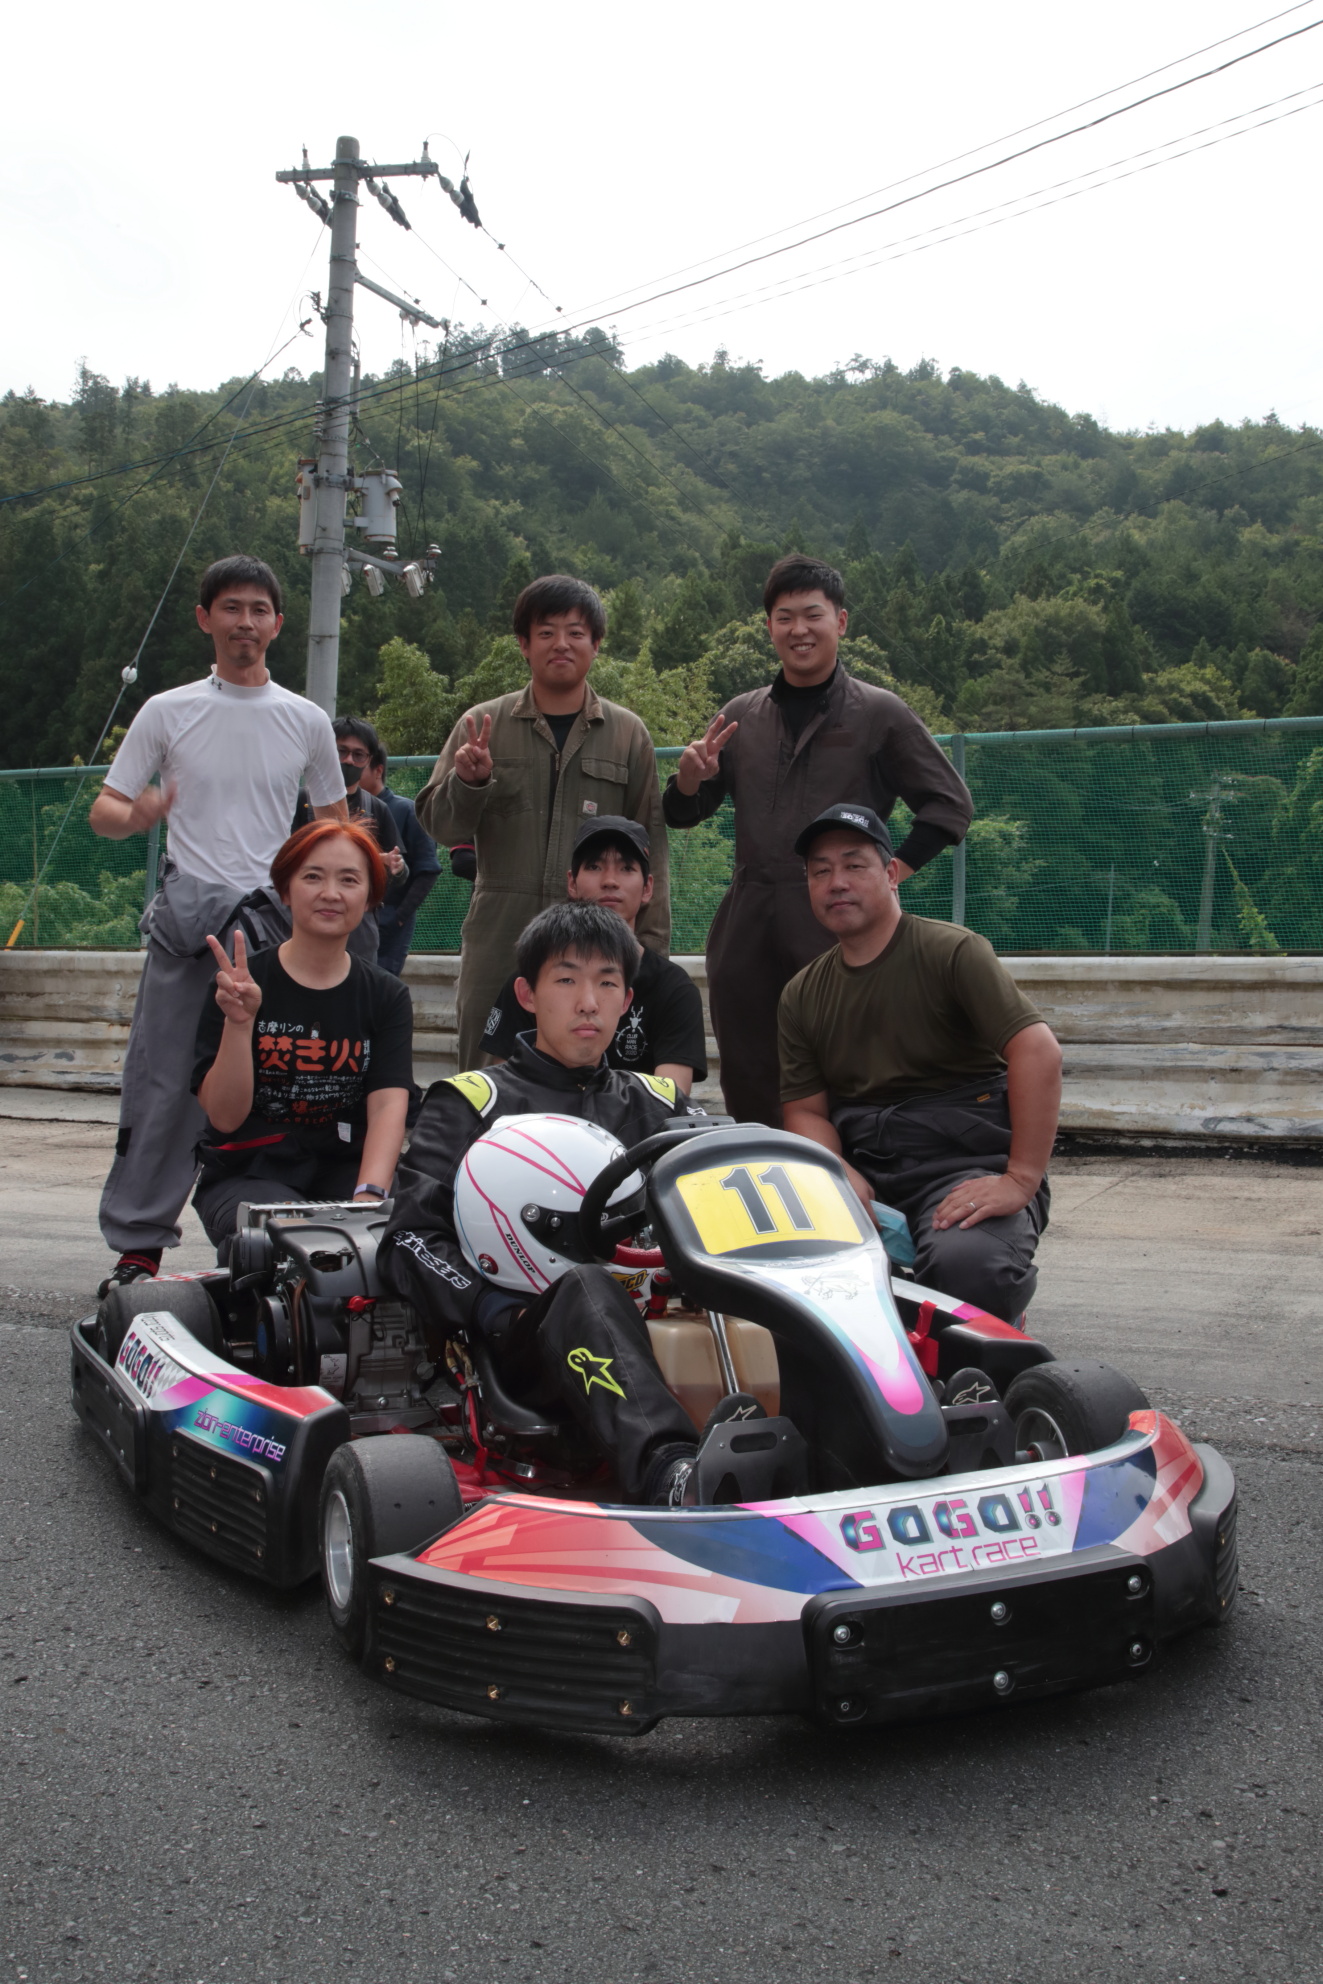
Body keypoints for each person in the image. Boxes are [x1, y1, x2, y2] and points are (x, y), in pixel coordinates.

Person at [379, 901, 708, 1505]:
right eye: (567, 980)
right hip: (522, 1340)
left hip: (658, 1315)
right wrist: (490, 1307)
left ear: (627, 1001)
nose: (588, 1002)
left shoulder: (657, 1102)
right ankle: (672, 1473)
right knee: (586, 1286)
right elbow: (408, 1240)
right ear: (527, 995)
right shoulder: (474, 1101)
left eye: (606, 983)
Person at [89, 554, 347, 1294]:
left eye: (259, 610)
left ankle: (280, 1241)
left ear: (279, 623)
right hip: (188, 927)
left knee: (285, 1082)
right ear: (205, 618)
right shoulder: (166, 710)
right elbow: (105, 809)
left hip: (274, 929)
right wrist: (139, 814)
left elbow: (333, 824)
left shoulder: (306, 720)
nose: (245, 622)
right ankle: (139, 1247)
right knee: (164, 1083)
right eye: (231, 608)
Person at [664, 553, 973, 1126]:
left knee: (850, 1062)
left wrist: (888, 876)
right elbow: (684, 813)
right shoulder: (742, 716)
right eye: (784, 618)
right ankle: (766, 1168)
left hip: (841, 917)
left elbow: (949, 806)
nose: (799, 630)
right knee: (751, 1066)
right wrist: (687, 780)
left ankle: (851, 1174)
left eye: (813, 615)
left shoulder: (878, 713)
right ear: (769, 627)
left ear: (841, 622)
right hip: (749, 919)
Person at [778, 803, 1062, 1324]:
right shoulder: (801, 993)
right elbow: (805, 1111)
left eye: (854, 865)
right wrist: (836, 1173)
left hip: (962, 1165)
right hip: (865, 1167)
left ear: (891, 874)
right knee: (776, 1265)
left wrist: (1020, 1178)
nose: (837, 882)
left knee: (971, 1270)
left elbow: (1037, 1050)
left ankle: (992, 1331)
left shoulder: (953, 952)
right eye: (820, 872)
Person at [414, 575, 670, 1067]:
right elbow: (440, 827)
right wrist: (468, 782)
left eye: (576, 632)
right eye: (546, 632)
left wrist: (650, 947)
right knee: (486, 1077)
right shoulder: (481, 725)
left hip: (597, 941)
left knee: (591, 1073)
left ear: (596, 644)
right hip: (499, 936)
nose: (561, 644)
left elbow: (651, 847)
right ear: (524, 644)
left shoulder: (627, 734)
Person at [191, 820, 414, 1247]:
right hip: (250, 1172)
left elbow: (388, 1103)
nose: (331, 893)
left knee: (405, 1237)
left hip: (348, 1169)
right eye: (313, 876)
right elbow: (224, 1117)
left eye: (349, 880)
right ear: (285, 891)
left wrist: (369, 1199)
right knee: (285, 1243)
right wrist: (240, 1024)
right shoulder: (238, 986)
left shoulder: (387, 995)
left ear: (370, 897)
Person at [481, 816, 707, 1091]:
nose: (610, 881)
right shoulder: (533, 980)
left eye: (626, 868)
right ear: (572, 883)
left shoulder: (674, 988)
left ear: (648, 888)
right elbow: (504, 1089)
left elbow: (670, 1099)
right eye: (594, 866)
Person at [292, 717, 407, 963]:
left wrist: (393, 867)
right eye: (341, 751)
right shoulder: (299, 802)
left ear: (369, 760)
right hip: (298, 919)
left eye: (358, 755)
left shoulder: (377, 808)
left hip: (357, 926)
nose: (348, 761)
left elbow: (400, 872)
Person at [360, 737, 442, 975]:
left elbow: (428, 870)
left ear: (378, 770)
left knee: (378, 985)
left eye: (359, 759)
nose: (348, 767)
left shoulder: (405, 810)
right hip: (352, 921)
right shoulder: (343, 810)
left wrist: (398, 918)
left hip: (388, 927)